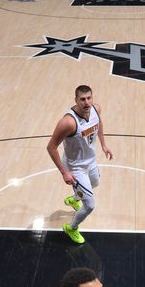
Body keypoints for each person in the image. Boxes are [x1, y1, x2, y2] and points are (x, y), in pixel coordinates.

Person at [46, 85, 113, 245]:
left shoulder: (96, 109)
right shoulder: (68, 122)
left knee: (95, 183)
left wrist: (104, 144)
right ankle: (72, 227)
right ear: (76, 100)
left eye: (89, 98)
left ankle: (74, 198)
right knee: (90, 206)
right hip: (75, 167)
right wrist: (64, 173)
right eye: (82, 99)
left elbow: (99, 124)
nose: (86, 102)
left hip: (90, 161)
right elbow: (51, 147)